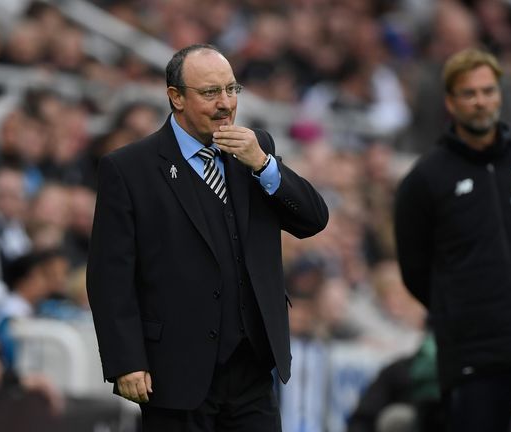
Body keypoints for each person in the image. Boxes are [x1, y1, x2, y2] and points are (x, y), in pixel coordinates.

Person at [86, 43, 329, 431]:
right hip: (174, 372)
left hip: (251, 367)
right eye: (210, 92)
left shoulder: (254, 148)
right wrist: (125, 360)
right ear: (175, 97)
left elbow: (313, 219)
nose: (225, 104)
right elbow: (109, 275)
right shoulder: (130, 168)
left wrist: (265, 166)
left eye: (231, 90)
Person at [393, 48, 511, 432]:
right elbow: (415, 269)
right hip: (473, 357)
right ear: (451, 101)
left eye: (488, 90)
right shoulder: (425, 179)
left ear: (499, 94)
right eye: (469, 93)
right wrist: (460, 309)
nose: (481, 101)